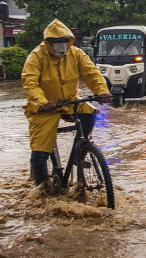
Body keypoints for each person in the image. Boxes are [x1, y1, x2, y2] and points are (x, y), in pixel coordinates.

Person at [21, 19, 113, 187]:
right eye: (57, 42)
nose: (62, 46)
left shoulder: (76, 53)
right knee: (40, 150)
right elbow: (30, 82)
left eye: (65, 42)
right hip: (44, 108)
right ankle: (42, 189)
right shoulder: (37, 56)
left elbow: (91, 73)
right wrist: (42, 102)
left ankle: (82, 151)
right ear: (49, 42)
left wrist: (102, 91)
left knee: (90, 112)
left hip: (70, 101)